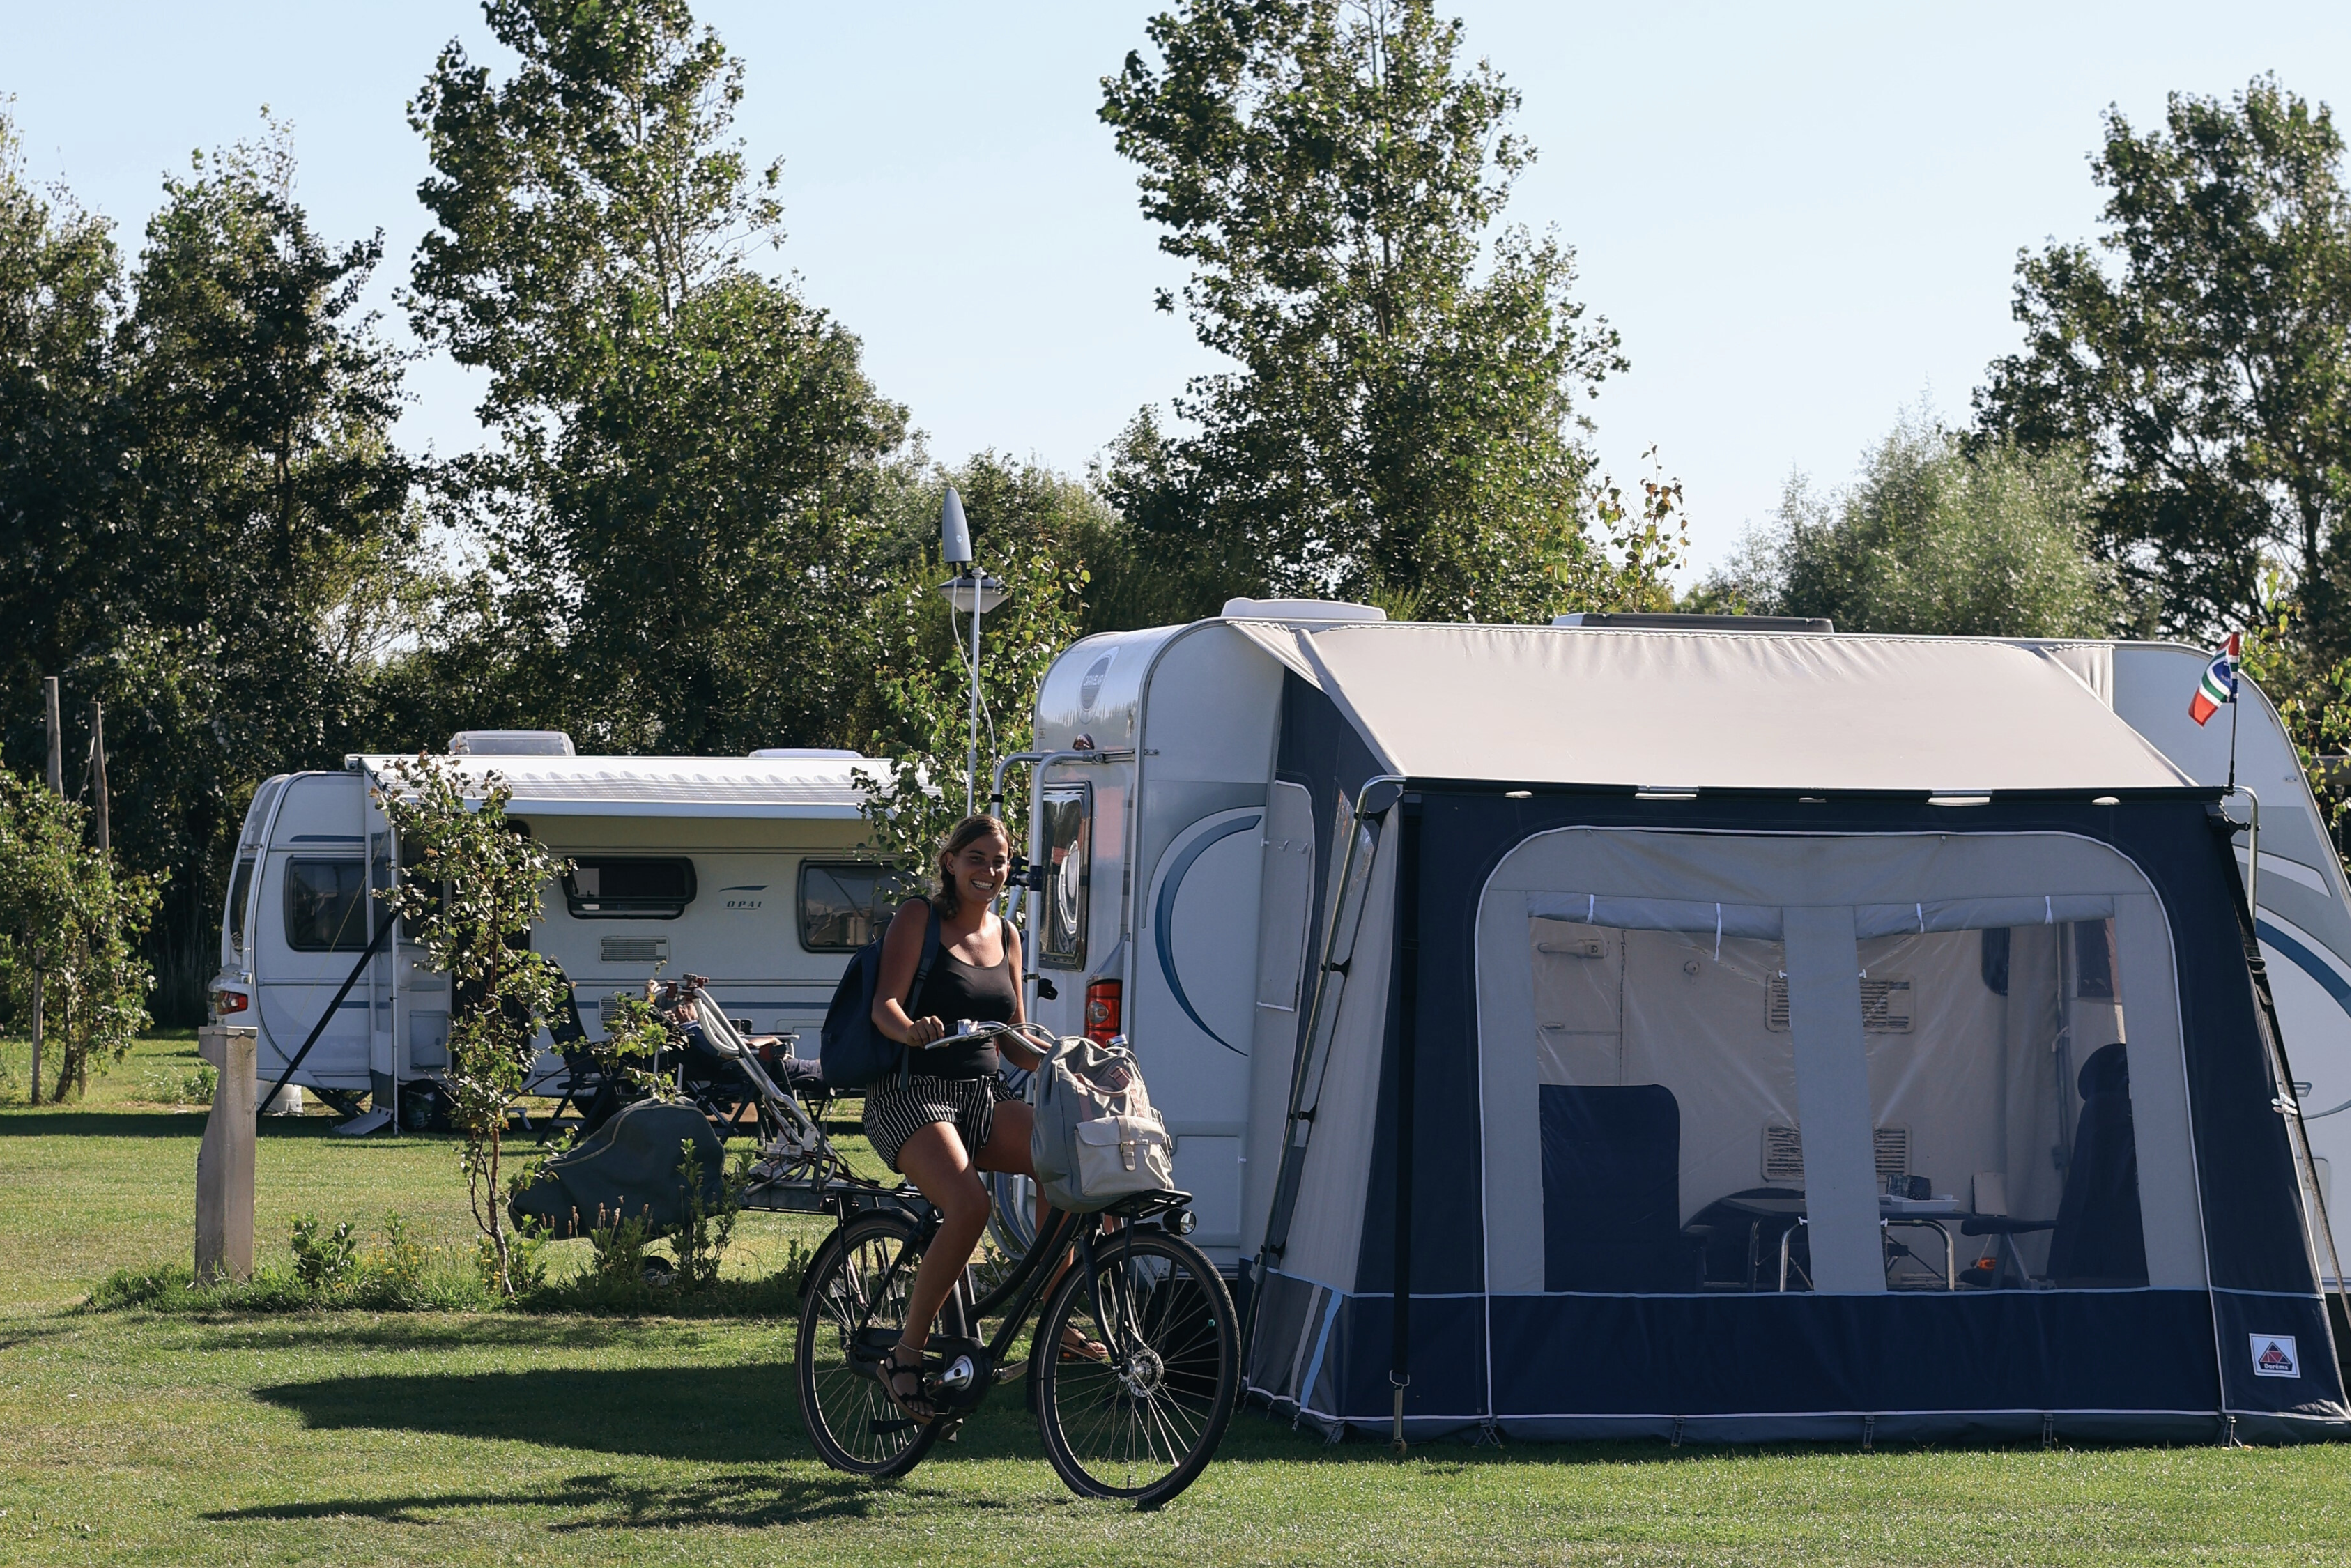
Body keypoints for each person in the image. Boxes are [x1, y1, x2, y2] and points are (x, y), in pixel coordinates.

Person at [865, 813, 1070, 1420]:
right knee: (970, 1205)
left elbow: (1013, 1039)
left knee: (1066, 1163)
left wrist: (1066, 1064)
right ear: (949, 862)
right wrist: (912, 1030)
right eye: (976, 858)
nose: (989, 871)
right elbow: (885, 1006)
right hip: (912, 1093)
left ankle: (1056, 1317)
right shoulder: (919, 918)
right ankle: (904, 1356)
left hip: (979, 1096)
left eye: (1000, 861)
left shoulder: (1008, 935)